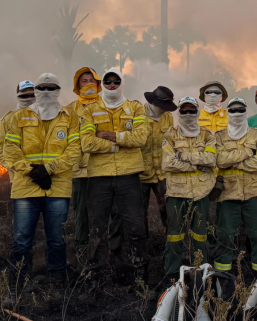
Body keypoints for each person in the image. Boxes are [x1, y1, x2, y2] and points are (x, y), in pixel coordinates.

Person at [3, 73, 80, 287]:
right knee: (21, 240)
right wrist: (32, 172)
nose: (46, 92)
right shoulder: (20, 117)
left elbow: (75, 150)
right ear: (36, 90)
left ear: (58, 90)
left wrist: (49, 170)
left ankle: (57, 282)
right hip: (25, 188)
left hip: (57, 188)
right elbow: (10, 149)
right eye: (42, 87)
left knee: (56, 239)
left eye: (51, 87)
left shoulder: (70, 117)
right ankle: (18, 283)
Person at [80, 68, 150, 285]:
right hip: (99, 177)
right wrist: (117, 145)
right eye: (108, 81)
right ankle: (95, 276)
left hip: (128, 177)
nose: (111, 85)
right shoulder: (90, 109)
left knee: (136, 227)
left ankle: (140, 275)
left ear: (122, 83)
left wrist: (111, 136)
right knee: (97, 229)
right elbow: (86, 142)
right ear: (103, 85)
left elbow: (141, 137)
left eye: (115, 81)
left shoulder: (136, 107)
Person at [213, 98, 257, 274]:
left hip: (254, 193)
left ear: (245, 112)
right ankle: (223, 277)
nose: (237, 114)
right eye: (233, 110)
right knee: (225, 236)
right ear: (228, 113)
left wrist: (234, 162)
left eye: (240, 110)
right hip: (228, 194)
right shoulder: (218, 137)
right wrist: (247, 153)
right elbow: (219, 160)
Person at [162, 97, 217, 278]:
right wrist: (195, 165)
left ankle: (201, 271)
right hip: (176, 192)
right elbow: (167, 163)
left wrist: (183, 156)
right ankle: (172, 273)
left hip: (201, 193)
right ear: (179, 112)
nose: (187, 114)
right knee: (174, 235)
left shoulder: (207, 135)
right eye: (183, 111)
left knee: (200, 235)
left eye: (191, 110)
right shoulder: (171, 135)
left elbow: (211, 159)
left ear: (197, 112)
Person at [66, 67, 102, 258]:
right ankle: (81, 250)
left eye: (92, 80)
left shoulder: (107, 105)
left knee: (106, 211)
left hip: (103, 168)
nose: (88, 84)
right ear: (77, 85)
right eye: (84, 81)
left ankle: (104, 250)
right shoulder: (70, 110)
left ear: (98, 84)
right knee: (81, 212)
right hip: (80, 170)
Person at [140, 86, 177, 237]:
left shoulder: (168, 117)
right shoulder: (138, 116)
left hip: (162, 173)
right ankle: (140, 248)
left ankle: (171, 244)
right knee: (139, 212)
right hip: (140, 173)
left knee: (168, 209)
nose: (163, 110)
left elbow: (171, 142)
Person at [0, 80, 35, 183]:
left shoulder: (47, 117)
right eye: (24, 96)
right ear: (18, 96)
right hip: (19, 181)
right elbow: (0, 148)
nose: (28, 98)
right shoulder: (7, 120)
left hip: (45, 181)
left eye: (32, 95)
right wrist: (14, 167)